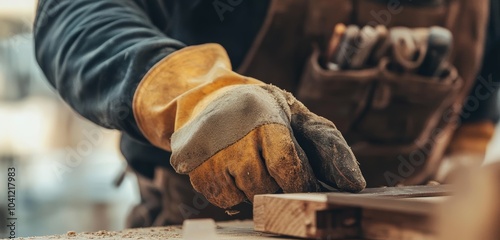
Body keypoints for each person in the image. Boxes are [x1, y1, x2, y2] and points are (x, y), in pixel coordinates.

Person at [34, 0, 498, 227]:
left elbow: (483, 78)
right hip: (202, 234)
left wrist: (465, 158)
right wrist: (198, 98)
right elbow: (73, 14)